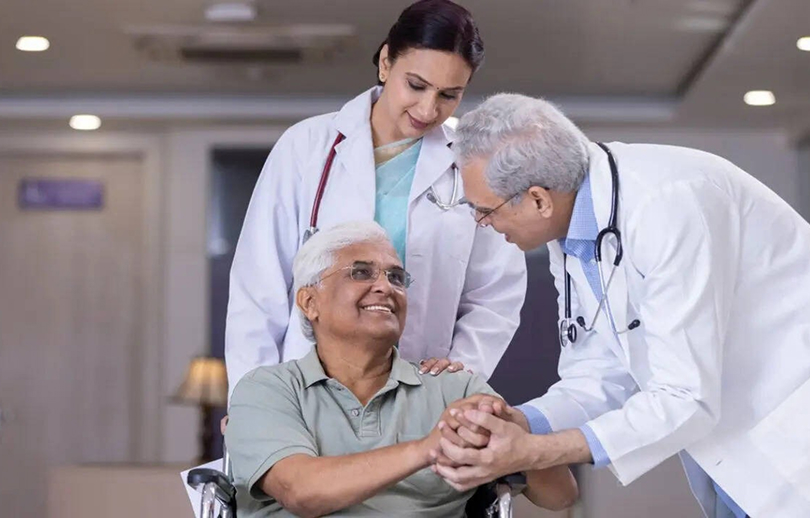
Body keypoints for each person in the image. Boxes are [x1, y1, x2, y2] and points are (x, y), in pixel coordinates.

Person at [430, 93, 810, 517]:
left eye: (485, 211)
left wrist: (533, 452)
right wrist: (519, 422)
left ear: (538, 199)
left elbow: (684, 397)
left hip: (791, 440)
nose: (483, 224)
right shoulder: (575, 231)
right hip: (736, 451)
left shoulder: (669, 205)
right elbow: (600, 374)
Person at [224, 0, 526, 393]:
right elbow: (258, 285)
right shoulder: (307, 148)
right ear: (386, 63)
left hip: (420, 386)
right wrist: (250, 398)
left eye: (449, 95)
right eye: (416, 85)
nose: (428, 108)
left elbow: (496, 292)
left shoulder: (471, 165)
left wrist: (461, 366)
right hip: (306, 388)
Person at [225, 221, 577, 517]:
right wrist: (428, 448)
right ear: (310, 302)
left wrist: (517, 429)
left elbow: (560, 496)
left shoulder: (453, 388)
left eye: (396, 277)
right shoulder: (266, 390)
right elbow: (301, 491)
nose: (384, 287)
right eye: (360, 272)